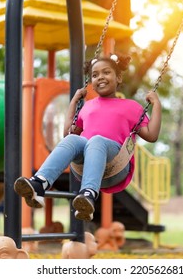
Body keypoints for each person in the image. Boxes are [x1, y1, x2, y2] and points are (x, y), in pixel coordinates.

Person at [14, 53, 162, 222]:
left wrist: (156, 104)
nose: (100, 77)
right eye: (95, 75)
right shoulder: (88, 106)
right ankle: (39, 184)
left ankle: (89, 195)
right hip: (86, 166)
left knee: (96, 140)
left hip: (116, 165)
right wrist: (74, 101)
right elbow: (68, 134)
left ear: (118, 77)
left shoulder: (131, 107)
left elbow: (151, 135)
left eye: (106, 72)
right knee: (72, 140)